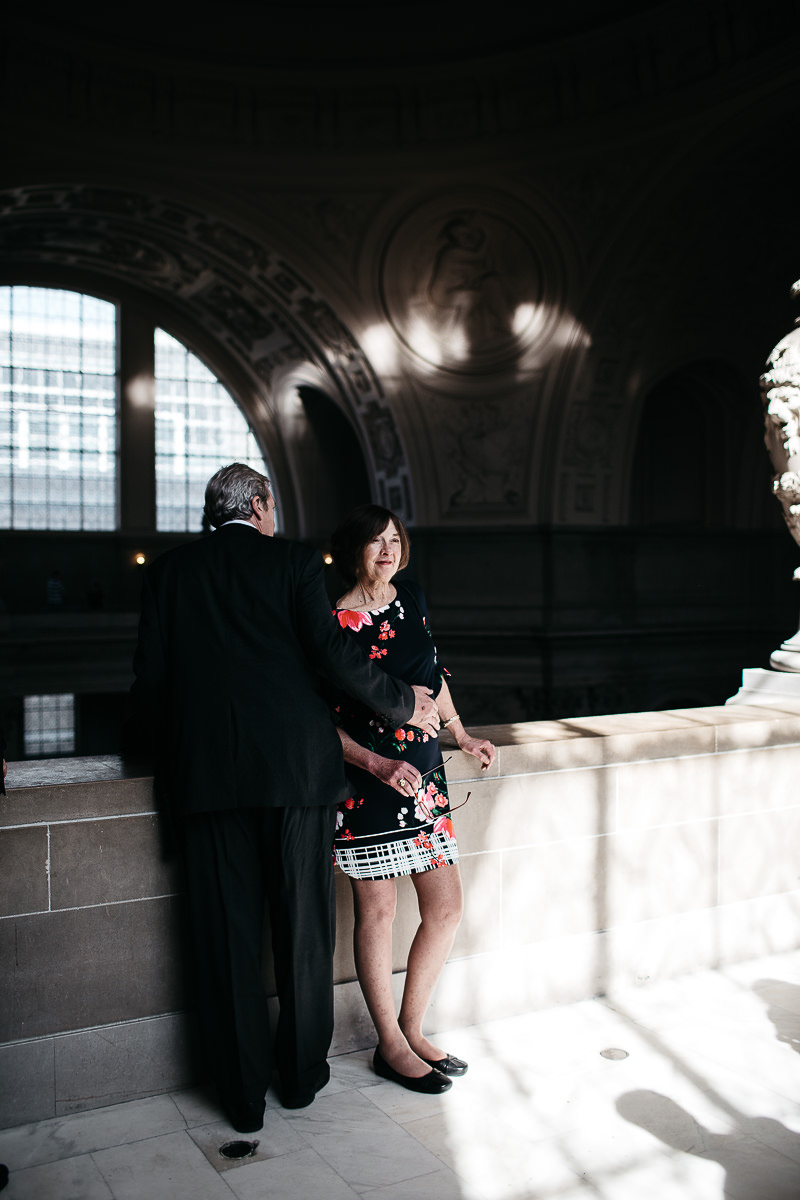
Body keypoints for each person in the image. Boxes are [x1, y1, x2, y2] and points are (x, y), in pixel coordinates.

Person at [128, 464, 440, 1134]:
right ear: (262, 505)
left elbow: (150, 684)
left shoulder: (169, 573)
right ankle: (299, 1079)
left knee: (226, 937)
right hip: (297, 773)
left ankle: (241, 1097)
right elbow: (332, 656)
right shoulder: (294, 563)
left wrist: (163, 756)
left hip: (207, 779)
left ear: (217, 512)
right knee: (302, 928)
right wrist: (401, 702)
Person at [329, 504, 496, 1094]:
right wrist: (373, 761)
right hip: (368, 780)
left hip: (424, 778)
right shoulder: (334, 618)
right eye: (375, 541)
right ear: (354, 549)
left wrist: (461, 732)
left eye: (394, 539)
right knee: (378, 913)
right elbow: (321, 719)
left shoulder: (412, 597)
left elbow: (435, 672)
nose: (387, 550)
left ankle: (413, 1026)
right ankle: (390, 1046)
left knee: (445, 906)